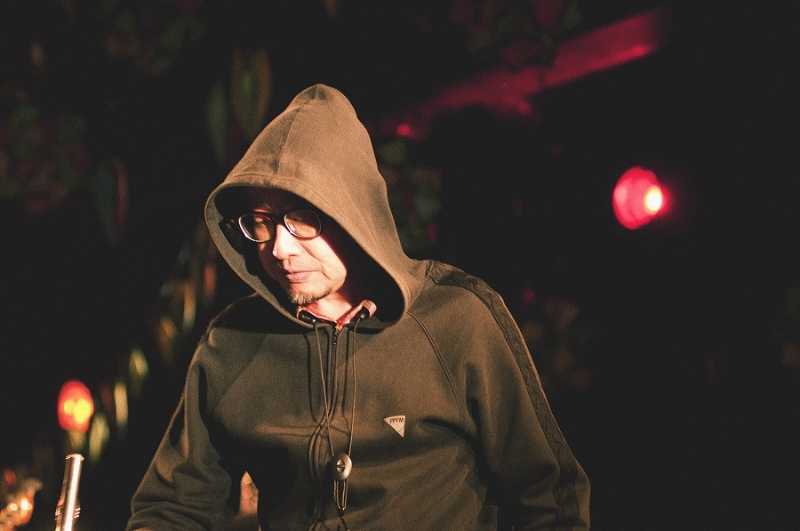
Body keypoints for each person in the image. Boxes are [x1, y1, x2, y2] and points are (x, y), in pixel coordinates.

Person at [125, 84, 590, 531]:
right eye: (261, 223)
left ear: (355, 213)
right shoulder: (231, 343)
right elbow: (173, 509)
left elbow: (549, 498)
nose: (280, 249)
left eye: (302, 219)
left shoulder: (455, 318)